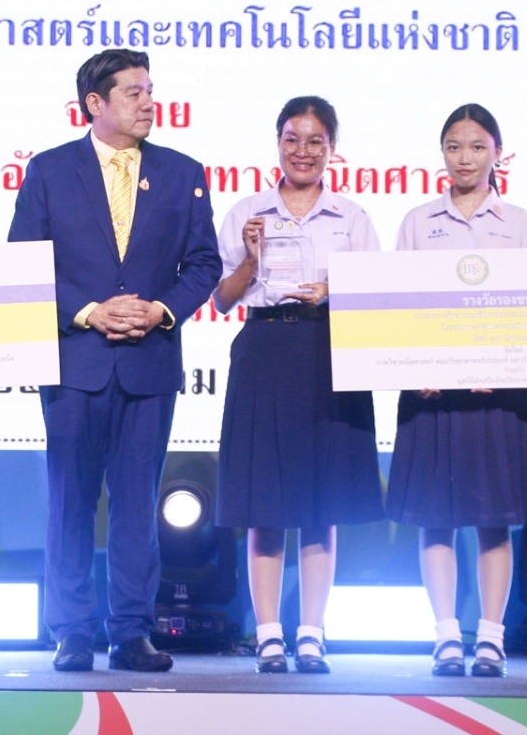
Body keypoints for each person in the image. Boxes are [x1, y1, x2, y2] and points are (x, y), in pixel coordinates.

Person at [8, 49, 221, 673]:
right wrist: (88, 311)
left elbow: (204, 263)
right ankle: (72, 631)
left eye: (150, 90)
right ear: (95, 103)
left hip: (149, 362)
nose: (148, 102)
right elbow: (24, 262)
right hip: (76, 361)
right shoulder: (50, 170)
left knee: (136, 504)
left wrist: (161, 310)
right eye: (134, 92)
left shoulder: (182, 172)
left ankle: (131, 631)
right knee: (71, 501)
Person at [212, 96, 384, 675]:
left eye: (315, 141)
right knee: (264, 502)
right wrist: (251, 258)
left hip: (329, 351)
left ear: (332, 149)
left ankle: (311, 633)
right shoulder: (247, 212)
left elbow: (375, 294)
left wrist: (333, 290)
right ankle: (267, 635)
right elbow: (222, 298)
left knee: (321, 499)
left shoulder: (352, 218)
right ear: (277, 143)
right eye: (292, 139)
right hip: (264, 348)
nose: (302, 151)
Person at [385, 104, 527, 679]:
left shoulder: (519, 223)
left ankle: (491, 639)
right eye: (454, 146)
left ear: (497, 154)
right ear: (442, 154)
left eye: (477, 146)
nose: (465, 157)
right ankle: (446, 636)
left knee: (493, 520)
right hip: (432, 394)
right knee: (435, 518)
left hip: (495, 394)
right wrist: (414, 365)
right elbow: (397, 304)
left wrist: (504, 364)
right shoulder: (417, 221)